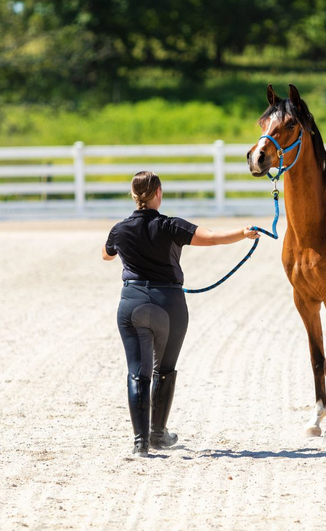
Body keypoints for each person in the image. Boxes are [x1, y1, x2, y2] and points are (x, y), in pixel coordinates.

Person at [102, 171, 259, 457]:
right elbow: (210, 238)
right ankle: (158, 433)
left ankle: (141, 443)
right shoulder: (170, 225)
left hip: (133, 301)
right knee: (164, 370)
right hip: (169, 304)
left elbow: (106, 254)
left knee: (137, 373)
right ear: (158, 193)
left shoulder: (120, 229)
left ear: (133, 195)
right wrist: (243, 233)